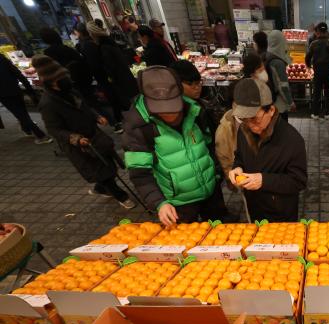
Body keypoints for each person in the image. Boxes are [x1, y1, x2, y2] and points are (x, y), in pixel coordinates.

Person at [32, 55, 135, 208]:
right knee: (101, 172)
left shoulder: (71, 91)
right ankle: (121, 196)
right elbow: (54, 129)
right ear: (51, 82)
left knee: (108, 166)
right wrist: (75, 138)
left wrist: (96, 116)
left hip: (95, 136)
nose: (65, 80)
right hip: (80, 145)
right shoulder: (48, 104)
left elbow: (85, 107)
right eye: (60, 78)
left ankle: (100, 188)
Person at [122, 66, 219, 225]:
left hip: (210, 191)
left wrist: (216, 173)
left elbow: (209, 145)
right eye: (163, 112)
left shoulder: (195, 111)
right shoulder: (138, 128)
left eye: (175, 108)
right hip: (178, 204)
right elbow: (140, 174)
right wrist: (159, 203)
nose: (172, 115)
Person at [228, 78, 307, 222]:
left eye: (255, 119)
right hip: (255, 209)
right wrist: (237, 167)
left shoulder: (292, 140)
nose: (250, 125)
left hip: (281, 215)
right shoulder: (244, 131)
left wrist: (264, 180)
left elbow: (298, 181)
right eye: (244, 119)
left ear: (270, 110)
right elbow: (239, 156)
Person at [169, 60, 230, 219]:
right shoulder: (171, 115)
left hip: (208, 174)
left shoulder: (201, 107)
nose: (197, 87)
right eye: (191, 84)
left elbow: (211, 142)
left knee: (216, 216)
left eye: (199, 82)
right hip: (184, 187)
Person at [74, 22, 125, 133]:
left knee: (108, 100)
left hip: (101, 78)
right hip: (103, 77)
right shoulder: (92, 44)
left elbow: (94, 65)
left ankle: (117, 122)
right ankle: (118, 120)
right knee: (111, 99)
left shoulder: (87, 45)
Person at [87, 20, 138, 122]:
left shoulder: (103, 47)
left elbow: (111, 69)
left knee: (133, 109)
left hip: (122, 83)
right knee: (136, 105)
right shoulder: (109, 41)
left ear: (93, 33)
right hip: (127, 79)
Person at [0, 54, 52, 144]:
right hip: (14, 89)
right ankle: (27, 130)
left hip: (3, 94)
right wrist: (29, 88)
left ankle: (41, 136)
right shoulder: (1, 58)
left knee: (20, 114)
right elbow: (17, 73)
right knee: (22, 111)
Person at [40, 27, 93, 97]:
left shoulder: (47, 54)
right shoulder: (67, 49)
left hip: (64, 85)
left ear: (45, 40)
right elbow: (82, 62)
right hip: (81, 80)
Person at [306, 22, 329, 119]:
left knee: (317, 92)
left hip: (318, 71)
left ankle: (315, 114)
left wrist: (309, 66)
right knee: (328, 93)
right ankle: (327, 113)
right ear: (326, 31)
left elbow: (307, 57)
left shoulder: (313, 43)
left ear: (318, 32)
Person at [266, 30, 295, 120]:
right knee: (281, 126)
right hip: (279, 103)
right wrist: (291, 103)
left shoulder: (268, 55)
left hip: (270, 99)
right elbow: (283, 86)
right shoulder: (278, 62)